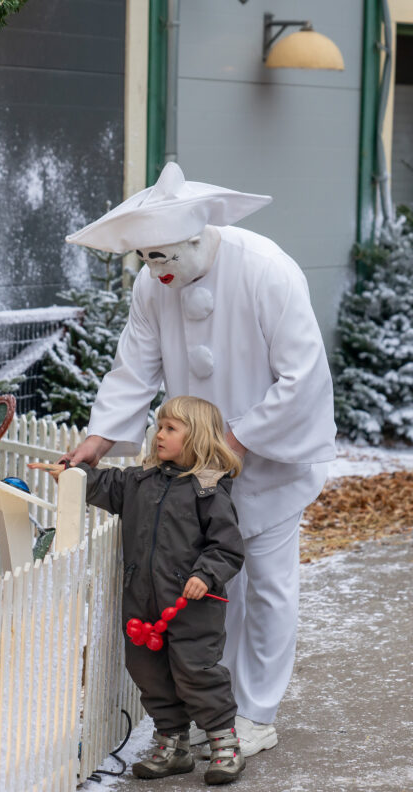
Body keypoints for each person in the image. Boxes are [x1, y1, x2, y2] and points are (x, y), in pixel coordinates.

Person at [55, 162, 336, 757]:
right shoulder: (152, 288)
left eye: (162, 258)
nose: (156, 271)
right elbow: (135, 367)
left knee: (268, 588)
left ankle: (257, 714)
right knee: (208, 589)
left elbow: (304, 375)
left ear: (193, 237)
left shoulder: (266, 271)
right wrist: (100, 438)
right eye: (147, 259)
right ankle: (219, 709)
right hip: (198, 476)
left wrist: (238, 440)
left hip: (270, 465)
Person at [34, 395, 246, 784]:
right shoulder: (140, 481)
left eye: (169, 429)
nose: (158, 434)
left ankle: (224, 743)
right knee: (148, 672)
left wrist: (206, 573)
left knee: (196, 671)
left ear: (196, 437)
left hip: (191, 604)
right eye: (158, 426)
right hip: (142, 600)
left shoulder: (208, 490)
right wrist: (73, 473)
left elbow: (227, 546)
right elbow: (104, 485)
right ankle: (173, 745)